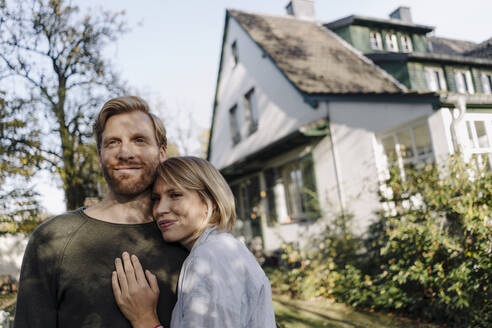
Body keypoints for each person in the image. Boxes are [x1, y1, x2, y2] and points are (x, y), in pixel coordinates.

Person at [14, 96, 188, 328]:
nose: (125, 152)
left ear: (162, 153)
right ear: (99, 156)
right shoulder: (52, 240)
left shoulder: (187, 239)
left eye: (139, 140)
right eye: (113, 142)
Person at [112, 156, 277, 327]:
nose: (160, 209)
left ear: (211, 202)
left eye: (175, 195)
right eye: (156, 199)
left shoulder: (211, 258)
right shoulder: (221, 249)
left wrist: (144, 318)